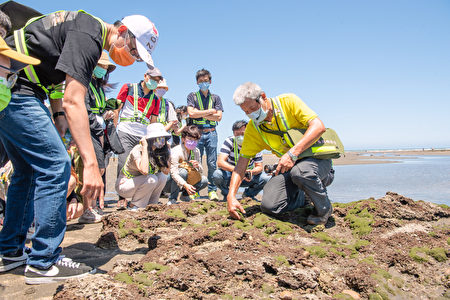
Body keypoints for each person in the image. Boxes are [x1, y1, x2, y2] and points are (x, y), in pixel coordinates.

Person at [1, 10, 159, 284]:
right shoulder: (89, 35)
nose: (132, 59)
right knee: (56, 166)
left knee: (26, 171)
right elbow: (75, 100)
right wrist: (89, 164)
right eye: (134, 50)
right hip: (17, 89)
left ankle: (11, 250)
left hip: (20, 88)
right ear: (122, 32)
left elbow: (50, 73)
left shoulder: (82, 26)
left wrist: (57, 115)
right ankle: (44, 261)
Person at [226, 82, 335, 225]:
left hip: (317, 162)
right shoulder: (254, 129)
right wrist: (231, 196)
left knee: (301, 172)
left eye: (253, 108)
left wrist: (291, 154)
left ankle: (324, 209)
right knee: (270, 205)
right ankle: (304, 195)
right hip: (291, 169)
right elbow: (241, 164)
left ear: (263, 97)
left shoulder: (288, 101)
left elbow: (318, 126)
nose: (251, 114)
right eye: (246, 112)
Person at [114, 67, 163, 210]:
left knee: (142, 165)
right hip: (125, 131)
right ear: (145, 76)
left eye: (157, 80)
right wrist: (113, 129)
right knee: (123, 162)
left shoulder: (155, 100)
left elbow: (153, 121)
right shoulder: (128, 88)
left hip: (142, 134)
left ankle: (139, 197)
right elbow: (117, 109)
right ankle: (122, 197)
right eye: (152, 79)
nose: (154, 82)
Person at [77, 51, 116, 224]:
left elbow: (98, 110)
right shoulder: (84, 83)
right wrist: (97, 128)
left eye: (105, 68)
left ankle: (94, 206)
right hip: (89, 129)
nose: (102, 70)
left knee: (100, 168)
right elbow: (84, 109)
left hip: (99, 129)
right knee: (93, 167)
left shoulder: (99, 87)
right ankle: (87, 209)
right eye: (100, 66)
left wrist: (106, 114)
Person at [186, 69, 223, 201]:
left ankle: (212, 191)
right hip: (197, 134)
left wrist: (199, 112)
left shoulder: (216, 98)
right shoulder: (192, 96)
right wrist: (210, 111)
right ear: (197, 82)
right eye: (201, 81)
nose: (203, 83)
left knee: (212, 163)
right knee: (195, 161)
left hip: (212, 133)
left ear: (210, 81)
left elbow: (218, 117)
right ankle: (194, 190)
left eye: (206, 81)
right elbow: (191, 113)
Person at [115, 123, 170, 210]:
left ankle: (152, 204)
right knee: (152, 179)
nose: (161, 142)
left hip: (141, 182)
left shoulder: (158, 152)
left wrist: (167, 153)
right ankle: (134, 205)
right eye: (159, 139)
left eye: (163, 139)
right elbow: (144, 171)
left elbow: (166, 171)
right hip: (125, 185)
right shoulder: (138, 149)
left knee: (162, 177)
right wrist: (145, 147)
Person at [212, 120, 270, 200]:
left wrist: (251, 172)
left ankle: (248, 195)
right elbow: (220, 162)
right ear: (233, 134)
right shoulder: (229, 141)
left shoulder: (255, 143)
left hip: (248, 176)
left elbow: (259, 167)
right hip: (231, 174)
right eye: (237, 134)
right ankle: (228, 195)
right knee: (217, 175)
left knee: (266, 178)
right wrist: (238, 170)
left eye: (243, 134)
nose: (240, 137)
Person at [163, 125, 208, 205]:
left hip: (186, 180)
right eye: (190, 139)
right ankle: (172, 198)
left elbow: (201, 171)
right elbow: (173, 173)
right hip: (169, 183)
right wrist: (185, 184)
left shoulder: (196, 151)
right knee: (183, 172)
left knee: (204, 180)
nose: (193, 142)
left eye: (195, 140)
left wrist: (198, 166)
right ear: (183, 139)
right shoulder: (176, 151)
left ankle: (185, 195)